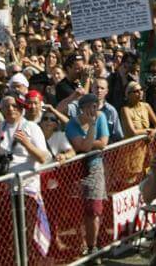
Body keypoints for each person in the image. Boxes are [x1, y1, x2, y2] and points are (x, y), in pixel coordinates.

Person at [65, 94, 110, 257]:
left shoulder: (101, 117)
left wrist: (89, 139)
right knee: (77, 210)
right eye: (90, 106)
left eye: (95, 106)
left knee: (94, 210)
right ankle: (80, 244)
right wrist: (91, 133)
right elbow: (83, 147)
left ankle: (92, 247)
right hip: (76, 171)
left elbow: (103, 143)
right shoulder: (71, 124)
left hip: (95, 168)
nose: (94, 110)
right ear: (82, 108)